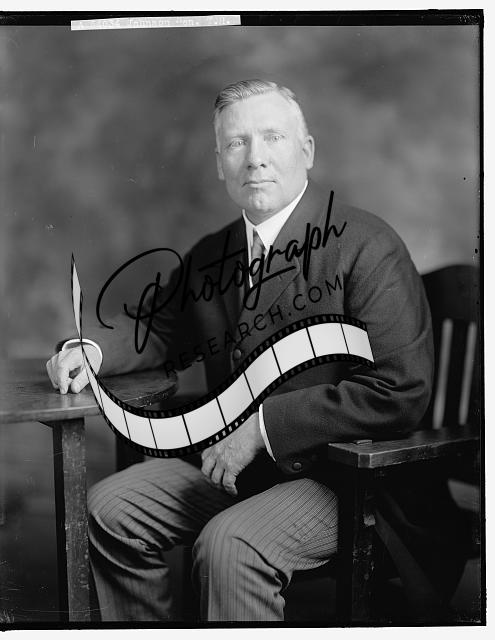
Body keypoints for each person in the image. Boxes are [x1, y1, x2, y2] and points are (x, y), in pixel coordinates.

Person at [46, 79, 450, 622]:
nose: (255, 158)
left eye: (273, 137)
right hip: (241, 471)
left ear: (306, 150)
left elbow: (401, 390)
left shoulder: (367, 246)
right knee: (108, 510)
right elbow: (160, 330)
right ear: (220, 163)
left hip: (349, 481)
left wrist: (260, 430)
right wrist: (91, 349)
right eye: (237, 143)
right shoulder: (216, 253)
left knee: (229, 544)